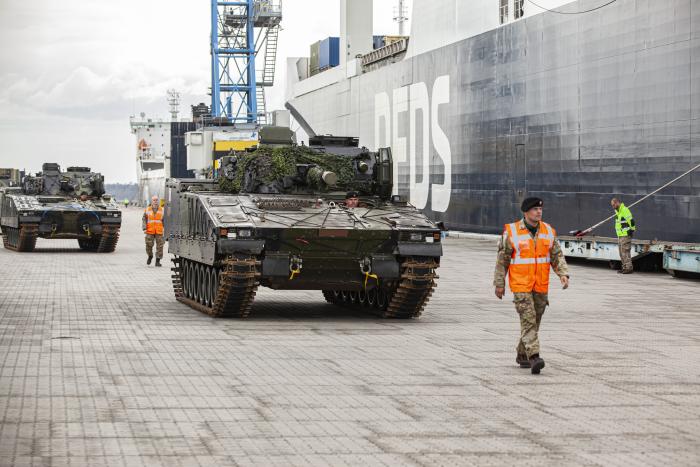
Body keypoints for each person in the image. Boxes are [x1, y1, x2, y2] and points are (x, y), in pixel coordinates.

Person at [493, 197, 570, 374]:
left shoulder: (548, 231)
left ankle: (522, 354)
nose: (539, 212)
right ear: (526, 212)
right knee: (528, 320)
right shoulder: (512, 232)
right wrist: (499, 284)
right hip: (521, 285)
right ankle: (534, 357)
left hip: (540, 285)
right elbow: (502, 260)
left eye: (540, 209)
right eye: (535, 209)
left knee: (534, 321)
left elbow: (557, 255)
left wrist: (563, 274)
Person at [611, 197, 635, 274]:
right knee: (621, 252)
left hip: (626, 234)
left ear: (617, 202)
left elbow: (631, 221)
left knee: (625, 252)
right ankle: (624, 267)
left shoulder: (624, 210)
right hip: (620, 235)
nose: (613, 206)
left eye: (613, 205)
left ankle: (629, 268)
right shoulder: (618, 212)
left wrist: (632, 230)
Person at [142, 195, 164, 267]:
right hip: (150, 230)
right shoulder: (147, 209)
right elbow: (144, 219)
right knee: (148, 245)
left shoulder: (162, 210)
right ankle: (150, 256)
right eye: (154, 200)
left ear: (158, 201)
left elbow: (165, 220)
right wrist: (144, 228)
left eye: (156, 200)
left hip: (159, 231)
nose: (155, 201)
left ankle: (157, 261)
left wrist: (166, 229)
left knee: (160, 246)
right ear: (152, 201)